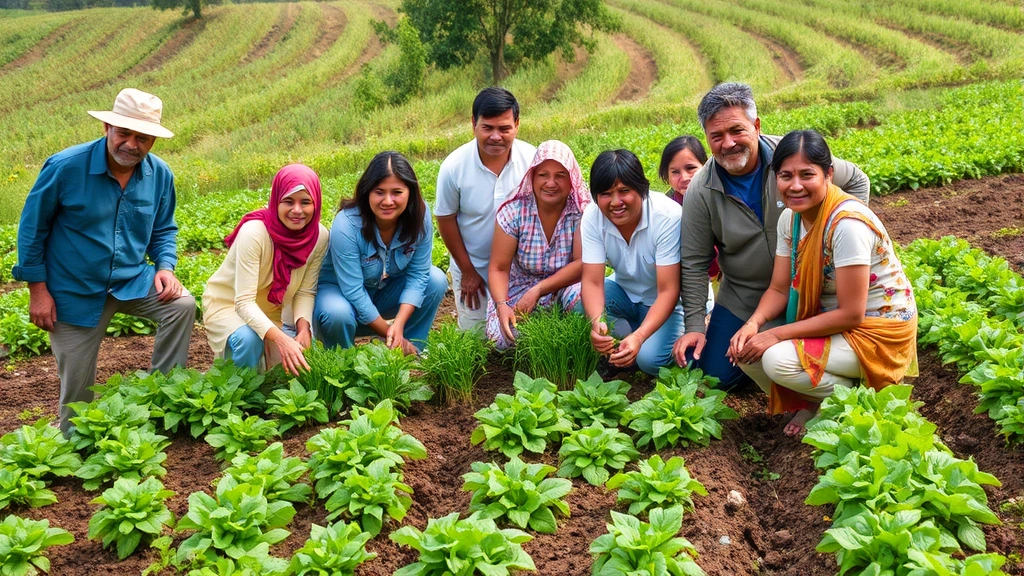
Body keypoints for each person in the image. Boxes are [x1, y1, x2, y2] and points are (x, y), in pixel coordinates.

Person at [12, 88, 195, 434]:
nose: (131, 144)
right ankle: (75, 445)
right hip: (73, 289)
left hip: (130, 280)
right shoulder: (65, 167)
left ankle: (163, 399)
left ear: (153, 141)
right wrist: (38, 291)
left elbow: (164, 228)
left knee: (181, 305)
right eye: (124, 133)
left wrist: (165, 268)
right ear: (107, 129)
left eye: (142, 137)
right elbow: (31, 230)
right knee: (78, 399)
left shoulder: (160, 176)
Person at [674, 82, 871, 391]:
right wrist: (696, 326)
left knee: (786, 351)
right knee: (714, 377)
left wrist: (839, 237)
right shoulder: (701, 189)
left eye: (737, 130)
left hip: (809, 289)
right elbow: (695, 263)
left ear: (756, 125)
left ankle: (808, 378)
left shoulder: (793, 158)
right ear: (708, 139)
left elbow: (857, 180)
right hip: (745, 296)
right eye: (717, 136)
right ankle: (774, 352)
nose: (728, 143)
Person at [728, 130, 917, 436]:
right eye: (786, 175)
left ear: (828, 174)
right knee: (745, 351)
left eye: (807, 174)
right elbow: (778, 288)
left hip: (877, 330)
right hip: (837, 324)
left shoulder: (847, 224)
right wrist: (753, 325)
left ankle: (850, 399)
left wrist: (774, 334)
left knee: (776, 359)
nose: (796, 185)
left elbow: (852, 314)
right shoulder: (790, 219)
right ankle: (815, 401)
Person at [314, 151, 447, 354]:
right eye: (379, 192)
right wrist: (390, 333)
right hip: (341, 294)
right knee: (338, 313)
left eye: (397, 192)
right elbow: (353, 290)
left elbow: (419, 274)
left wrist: (399, 325)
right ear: (367, 191)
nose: (387, 201)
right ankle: (343, 363)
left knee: (435, 280)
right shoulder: (347, 224)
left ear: (410, 192)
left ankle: (413, 354)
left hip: (381, 291)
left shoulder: (420, 215)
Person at [202, 164, 329, 376]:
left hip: (271, 311)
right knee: (249, 339)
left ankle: (253, 375)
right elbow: (243, 302)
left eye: (305, 202)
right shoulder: (254, 233)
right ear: (276, 200)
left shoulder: (319, 236)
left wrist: (304, 328)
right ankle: (237, 393)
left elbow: (305, 291)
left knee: (299, 361)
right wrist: (282, 339)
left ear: (315, 203)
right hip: (229, 306)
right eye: (288, 201)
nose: (297, 210)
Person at [435, 87, 537, 331]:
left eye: (504, 128)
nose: (496, 136)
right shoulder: (454, 167)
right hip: (474, 266)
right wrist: (468, 271)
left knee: (518, 336)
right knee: (476, 339)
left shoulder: (532, 159)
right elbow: (446, 220)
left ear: (517, 124)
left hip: (520, 269)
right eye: (487, 128)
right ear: (473, 124)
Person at [582, 150, 683, 375]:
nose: (616, 202)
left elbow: (669, 291)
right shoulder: (592, 216)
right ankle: (627, 337)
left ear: (641, 188)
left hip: (671, 303)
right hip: (627, 293)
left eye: (624, 191)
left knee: (650, 361)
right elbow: (592, 282)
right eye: (606, 194)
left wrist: (639, 337)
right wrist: (597, 323)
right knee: (581, 307)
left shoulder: (667, 217)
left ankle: (643, 338)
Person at [486, 140, 590, 348]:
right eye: (543, 175)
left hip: (564, 285)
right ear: (532, 177)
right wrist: (502, 304)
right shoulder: (513, 213)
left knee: (584, 301)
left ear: (571, 179)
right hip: (519, 287)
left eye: (560, 175)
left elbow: (582, 264)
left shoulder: (581, 212)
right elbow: (498, 267)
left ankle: (570, 338)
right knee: (505, 340)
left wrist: (539, 290)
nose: (551, 183)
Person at [658, 136, 721, 286]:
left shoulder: (721, 199)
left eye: (690, 168)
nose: (684, 177)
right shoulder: (665, 208)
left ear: (706, 166)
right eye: (675, 172)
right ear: (666, 176)